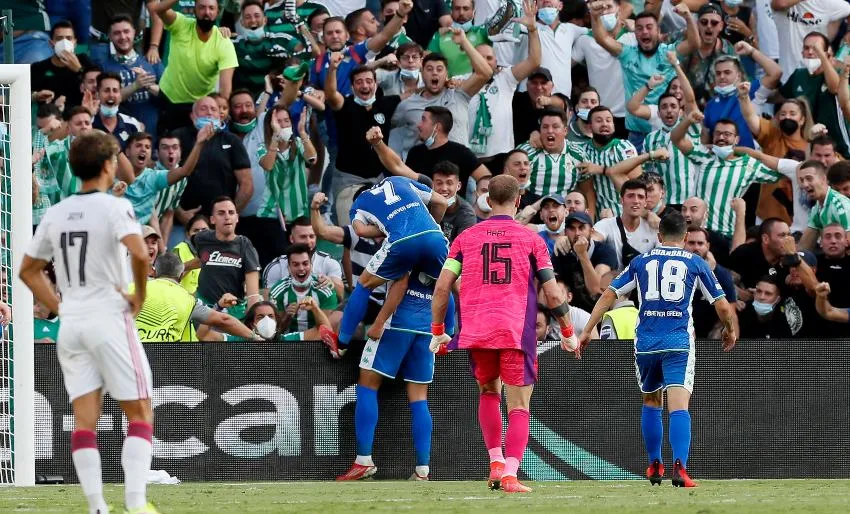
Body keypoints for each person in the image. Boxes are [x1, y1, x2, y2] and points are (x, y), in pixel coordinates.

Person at [18, 130, 157, 514]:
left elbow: (28, 271)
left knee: (84, 420)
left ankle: (97, 507)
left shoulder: (56, 211)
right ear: (110, 165)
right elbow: (141, 256)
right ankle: (135, 504)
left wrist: (60, 307)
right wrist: (139, 297)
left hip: (73, 322)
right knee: (141, 410)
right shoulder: (115, 208)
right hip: (108, 316)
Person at [430, 174, 578, 494]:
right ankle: (510, 473)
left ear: (487, 200)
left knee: (487, 393)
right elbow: (552, 294)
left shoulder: (465, 239)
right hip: (514, 329)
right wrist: (567, 331)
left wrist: (438, 331)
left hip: (477, 329)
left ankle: (495, 462)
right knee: (519, 406)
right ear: (518, 200)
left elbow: (442, 288)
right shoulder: (531, 240)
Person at [580, 212, 736, 488]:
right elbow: (722, 305)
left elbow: (608, 294)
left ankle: (654, 463)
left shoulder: (641, 261)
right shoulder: (696, 262)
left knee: (651, 402)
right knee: (679, 406)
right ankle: (680, 468)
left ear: (659, 236)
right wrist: (729, 330)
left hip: (646, 344)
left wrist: (587, 329)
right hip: (677, 342)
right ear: (685, 238)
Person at [337, 271, 455, 481]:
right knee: (419, 398)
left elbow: (400, 283)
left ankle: (363, 461)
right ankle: (422, 470)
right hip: (428, 329)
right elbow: (447, 291)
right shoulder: (442, 253)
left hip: (397, 324)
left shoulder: (407, 243)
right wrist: (449, 330)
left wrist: (379, 321)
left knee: (367, 385)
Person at [336, 176, 449, 356]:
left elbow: (361, 230)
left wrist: (388, 224)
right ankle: (449, 338)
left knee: (364, 284)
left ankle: (341, 343)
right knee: (446, 283)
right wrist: (429, 226)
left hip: (400, 241)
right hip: (433, 236)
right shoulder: (399, 181)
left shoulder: (359, 202)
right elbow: (442, 202)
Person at [147, 0, 239, 133]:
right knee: (169, 148)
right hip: (169, 99)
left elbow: (225, 87)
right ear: (194, 10)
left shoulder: (224, 42)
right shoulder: (181, 24)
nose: (207, 12)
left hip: (201, 106)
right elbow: (159, 9)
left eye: (211, 8)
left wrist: (217, 111)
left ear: (217, 13)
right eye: (202, 8)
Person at [133, 252, 258, 342]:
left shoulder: (131, 289)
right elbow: (224, 320)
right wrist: (254, 337)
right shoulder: (186, 300)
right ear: (181, 275)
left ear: (154, 272)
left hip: (132, 358)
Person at [191, 196, 262, 321]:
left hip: (232, 312)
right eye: (221, 213)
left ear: (237, 217)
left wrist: (252, 322)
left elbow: (253, 294)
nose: (227, 217)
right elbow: (203, 259)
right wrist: (183, 267)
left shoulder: (245, 246)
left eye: (231, 212)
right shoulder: (201, 239)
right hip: (204, 309)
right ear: (212, 220)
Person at [268, 243, 339, 334]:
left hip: (315, 341)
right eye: (295, 264)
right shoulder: (277, 291)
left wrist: (315, 308)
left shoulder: (325, 290)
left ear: (311, 265)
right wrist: (287, 316)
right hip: (288, 342)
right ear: (289, 268)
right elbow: (275, 333)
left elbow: (327, 330)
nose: (301, 268)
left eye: (305, 263)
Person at [30, 21, 93, 109]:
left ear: (75, 43)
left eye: (69, 38)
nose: (64, 42)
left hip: (80, 116)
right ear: (51, 43)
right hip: (50, 118)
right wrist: (36, 96)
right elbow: (24, 94)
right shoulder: (39, 68)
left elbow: (97, 88)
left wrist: (79, 70)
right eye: (59, 39)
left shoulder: (84, 61)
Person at [797, 160, 850, 250]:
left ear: (823, 179)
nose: (804, 184)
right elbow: (803, 247)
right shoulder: (817, 207)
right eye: (802, 180)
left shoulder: (840, 205)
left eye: (809, 179)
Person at [92, 72, 143, 150]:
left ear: (120, 96)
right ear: (97, 95)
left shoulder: (132, 124)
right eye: (106, 90)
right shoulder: (88, 123)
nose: (111, 95)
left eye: (115, 91)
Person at [172, 213, 210, 295]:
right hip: (181, 299)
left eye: (204, 230)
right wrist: (194, 262)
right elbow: (171, 280)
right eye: (196, 230)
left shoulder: (217, 251)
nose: (200, 233)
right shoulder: (179, 249)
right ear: (187, 234)